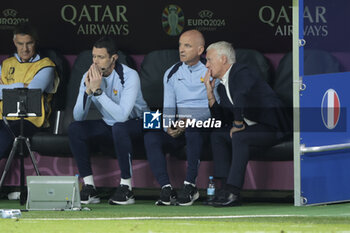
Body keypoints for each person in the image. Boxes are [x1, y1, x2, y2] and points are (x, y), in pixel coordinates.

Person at [204, 41, 291, 207]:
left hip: (271, 126)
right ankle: (223, 189)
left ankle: (233, 192)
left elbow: (241, 96)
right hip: (251, 128)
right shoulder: (222, 86)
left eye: (209, 60)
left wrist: (237, 123)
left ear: (223, 59)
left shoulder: (242, 72)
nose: (206, 65)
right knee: (218, 135)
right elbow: (222, 119)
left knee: (239, 136)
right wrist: (210, 94)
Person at [68, 36, 149, 205]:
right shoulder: (89, 75)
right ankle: (89, 187)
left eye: (101, 57)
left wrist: (98, 92)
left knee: (120, 127)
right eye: (94, 56)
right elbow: (78, 116)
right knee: (75, 128)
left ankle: (126, 188)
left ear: (114, 58)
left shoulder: (129, 75)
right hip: (110, 123)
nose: (96, 62)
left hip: (142, 120)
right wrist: (87, 92)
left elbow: (122, 116)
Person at [144, 29, 219, 206]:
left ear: (200, 50)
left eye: (187, 45)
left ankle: (190, 186)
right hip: (181, 125)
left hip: (204, 125)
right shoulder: (171, 72)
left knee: (193, 128)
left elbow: (216, 109)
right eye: (180, 45)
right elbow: (168, 107)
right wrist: (169, 127)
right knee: (151, 135)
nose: (181, 50)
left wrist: (189, 120)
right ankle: (166, 189)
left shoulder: (211, 71)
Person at [0, 23, 58, 160]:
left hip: (30, 119)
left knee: (6, 134)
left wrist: (5, 88)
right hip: (3, 116)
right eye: (20, 44)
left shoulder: (46, 65)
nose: (24, 49)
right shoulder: (6, 64)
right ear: (15, 42)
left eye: (29, 43)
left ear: (35, 42)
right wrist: (22, 85)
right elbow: (24, 90)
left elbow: (31, 93)